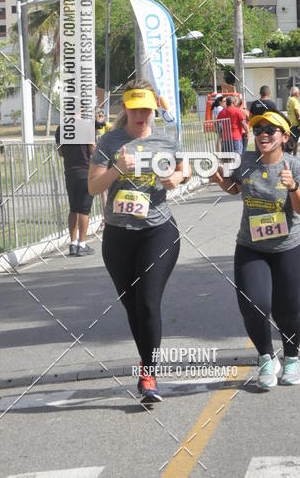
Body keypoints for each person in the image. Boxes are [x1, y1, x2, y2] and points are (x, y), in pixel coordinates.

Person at [88, 79, 189, 405]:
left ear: (153, 110)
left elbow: (183, 169)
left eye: (147, 109)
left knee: (147, 301)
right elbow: (92, 188)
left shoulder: (165, 139)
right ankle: (147, 364)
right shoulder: (110, 141)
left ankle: (148, 374)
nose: (142, 115)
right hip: (118, 236)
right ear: (126, 108)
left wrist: (176, 177)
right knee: (133, 307)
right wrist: (117, 168)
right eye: (137, 109)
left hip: (157, 231)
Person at [209, 109, 300, 390]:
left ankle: (291, 358)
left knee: (287, 310)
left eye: (270, 130)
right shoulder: (246, 162)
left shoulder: (294, 167)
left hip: (289, 247)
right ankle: (266, 358)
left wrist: (293, 188)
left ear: (284, 136)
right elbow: (235, 188)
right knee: (254, 305)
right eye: (258, 130)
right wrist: (220, 180)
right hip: (251, 247)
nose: (263, 134)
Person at [54, 124, 96, 257]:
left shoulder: (62, 128)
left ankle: (73, 243)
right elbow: (92, 149)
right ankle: (82, 244)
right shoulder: (86, 127)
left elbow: (60, 151)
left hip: (70, 171)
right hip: (85, 170)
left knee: (73, 208)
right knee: (84, 209)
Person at [286, 86, 300, 156]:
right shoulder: (294, 100)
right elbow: (296, 112)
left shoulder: (289, 100)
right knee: (295, 141)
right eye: (298, 92)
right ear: (296, 93)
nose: (299, 94)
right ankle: (294, 156)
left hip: (290, 123)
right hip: (295, 124)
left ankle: (291, 155)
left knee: (292, 140)